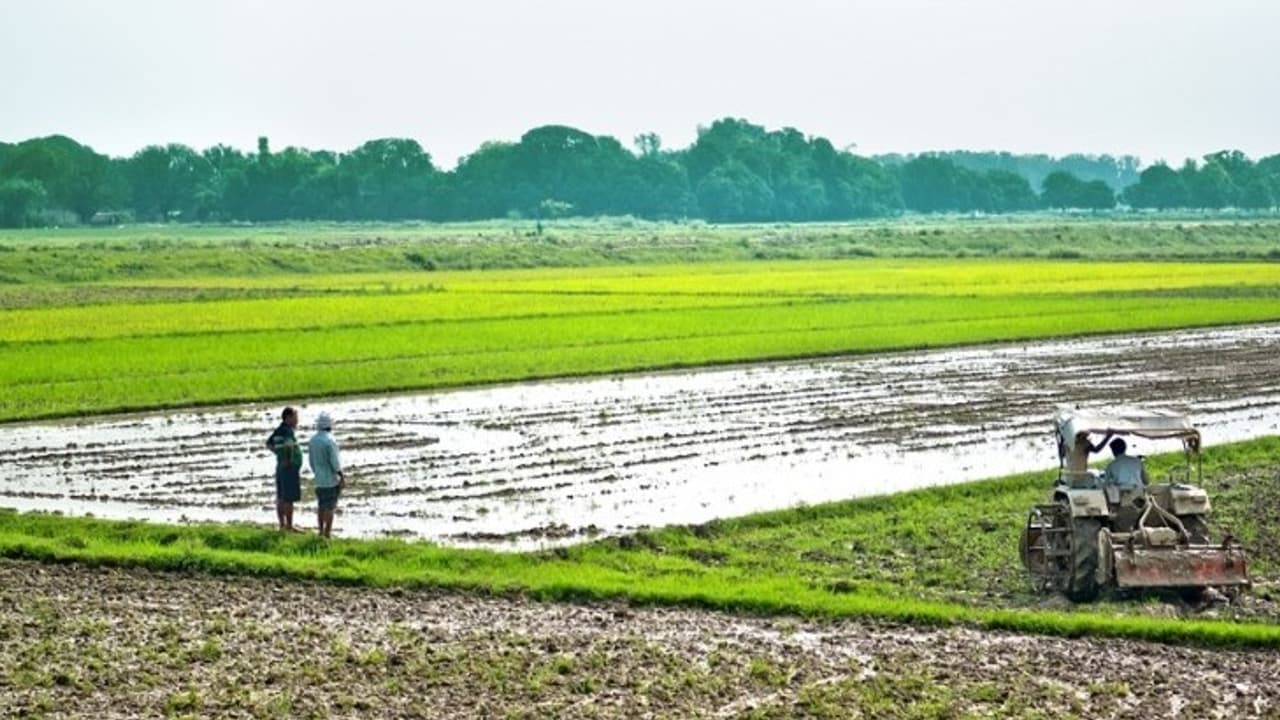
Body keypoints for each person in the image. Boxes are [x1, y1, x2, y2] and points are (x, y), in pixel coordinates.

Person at [308, 411, 345, 538]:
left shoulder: (313, 440)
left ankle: (320, 531)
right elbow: (335, 462)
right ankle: (327, 533)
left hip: (319, 479)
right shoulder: (330, 441)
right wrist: (341, 475)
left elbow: (311, 462)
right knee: (330, 507)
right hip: (330, 480)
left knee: (321, 506)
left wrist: (317, 473)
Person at [266, 407, 303, 532]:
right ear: (288, 417)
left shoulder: (278, 430)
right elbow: (289, 446)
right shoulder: (287, 431)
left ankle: (282, 525)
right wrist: (288, 459)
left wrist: (278, 453)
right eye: (295, 417)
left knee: (281, 496)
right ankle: (289, 526)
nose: (297, 420)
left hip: (280, 465)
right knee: (288, 498)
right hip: (289, 468)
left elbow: (269, 444)